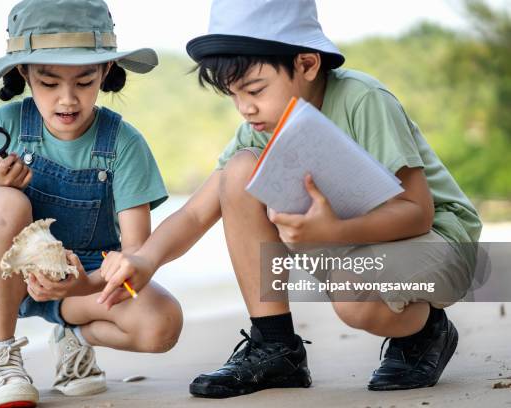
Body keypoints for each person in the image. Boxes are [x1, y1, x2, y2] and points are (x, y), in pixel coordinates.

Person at [96, 0, 482, 399]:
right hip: (351, 237)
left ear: (307, 64)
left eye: (255, 89)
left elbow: (419, 212)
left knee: (354, 301)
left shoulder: (362, 99)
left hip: (440, 240)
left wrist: (335, 231)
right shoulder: (261, 127)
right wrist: (146, 259)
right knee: (240, 171)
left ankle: (427, 331)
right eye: (233, 94)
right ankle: (275, 346)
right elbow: (196, 213)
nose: (245, 108)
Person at [0, 1, 183, 407]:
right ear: (24, 73)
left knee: (161, 325)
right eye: (48, 82)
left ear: (106, 72)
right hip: (10, 276)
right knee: (6, 200)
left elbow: (135, 253)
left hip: (88, 280)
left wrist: (85, 284)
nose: (67, 99)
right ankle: (2, 355)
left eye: (83, 81)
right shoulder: (4, 125)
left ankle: (73, 334)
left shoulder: (124, 144)